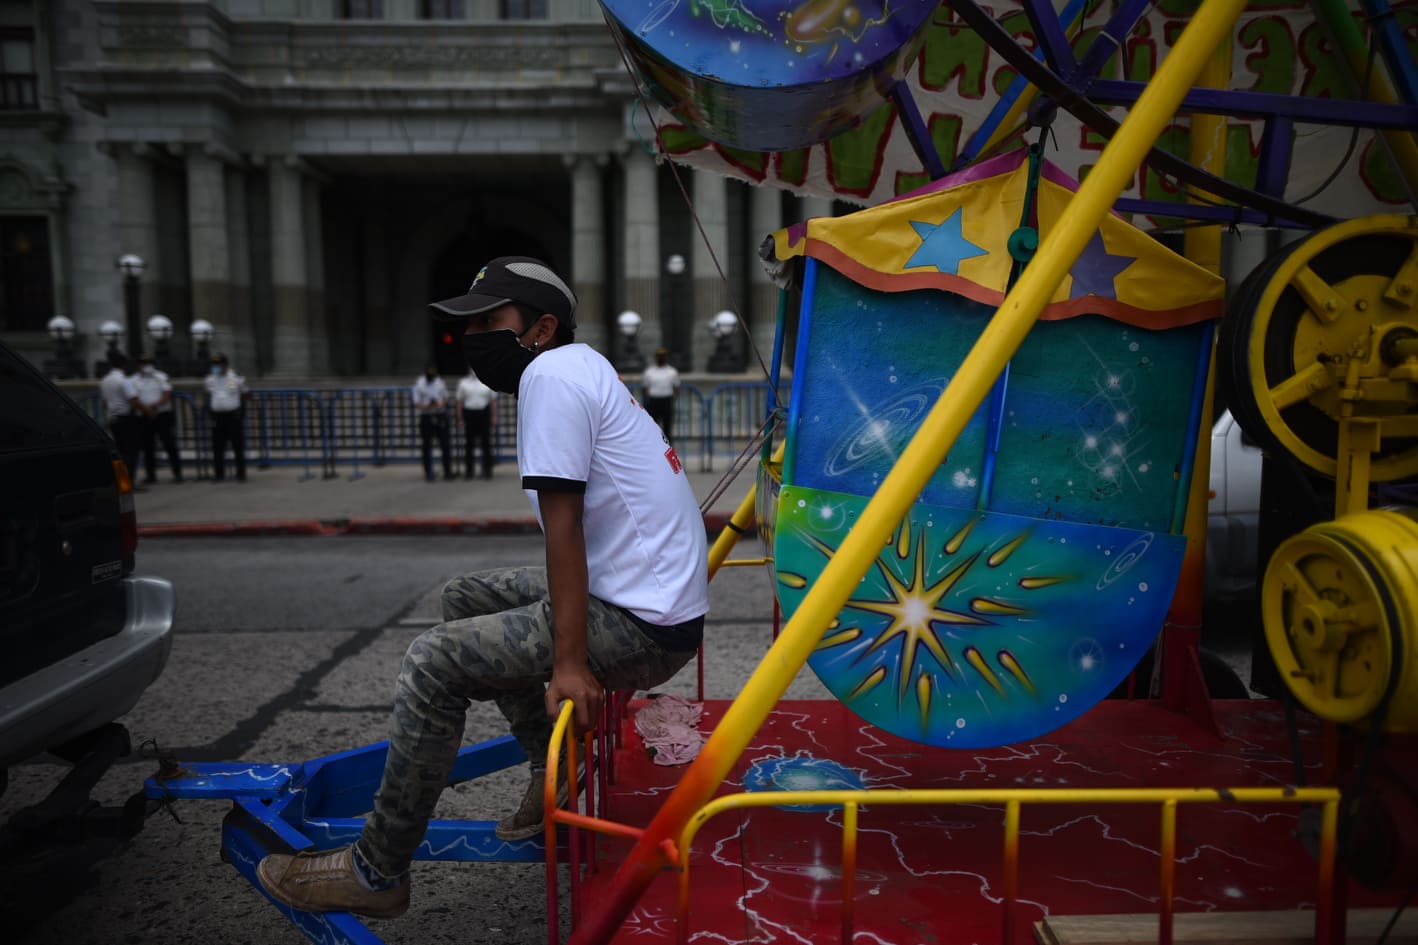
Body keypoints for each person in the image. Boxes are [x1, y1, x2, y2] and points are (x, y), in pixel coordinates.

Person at [256, 255, 709, 918]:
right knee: (465, 595)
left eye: (488, 322)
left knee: (433, 659)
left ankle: (377, 870)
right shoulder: (579, 364)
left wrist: (571, 663)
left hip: (643, 623)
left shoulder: (551, 375)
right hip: (647, 599)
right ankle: (550, 764)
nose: (473, 340)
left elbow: (564, 533)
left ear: (541, 327)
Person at [133, 352, 183, 484]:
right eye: (143, 364)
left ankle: (177, 474)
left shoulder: (161, 377)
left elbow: (167, 393)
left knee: (169, 444)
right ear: (139, 366)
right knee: (148, 446)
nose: (146, 366)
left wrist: (155, 407)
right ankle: (151, 475)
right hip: (144, 415)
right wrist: (146, 409)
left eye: (148, 364)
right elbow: (133, 398)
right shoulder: (134, 379)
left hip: (161, 415)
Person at [204, 352, 249, 482]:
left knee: (237, 445)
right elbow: (209, 394)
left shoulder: (234, 378)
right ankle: (219, 474)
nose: (217, 367)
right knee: (218, 447)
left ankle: (241, 474)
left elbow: (245, 393)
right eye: (214, 365)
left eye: (219, 364)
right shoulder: (210, 379)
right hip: (217, 417)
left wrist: (238, 407)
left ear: (225, 365)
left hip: (233, 416)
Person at [98, 351, 142, 480]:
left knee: (120, 451)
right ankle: (129, 480)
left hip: (113, 418)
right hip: (126, 418)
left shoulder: (105, 380)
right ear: (124, 364)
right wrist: (147, 411)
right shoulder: (124, 381)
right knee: (131, 452)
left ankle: (120, 480)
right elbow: (133, 400)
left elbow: (105, 402)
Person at [412, 364, 453, 481]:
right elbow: (416, 402)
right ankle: (428, 472)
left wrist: (440, 404)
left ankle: (447, 471)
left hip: (440, 415)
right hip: (426, 416)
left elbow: (446, 398)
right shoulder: (419, 384)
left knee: (445, 445)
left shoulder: (440, 382)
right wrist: (427, 406)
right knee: (427, 446)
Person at [455, 366, 497, 479]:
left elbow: (493, 401)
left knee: (486, 444)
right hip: (469, 414)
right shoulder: (463, 383)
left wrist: (494, 416)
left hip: (483, 413)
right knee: (469, 444)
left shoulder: (487, 381)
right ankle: (469, 471)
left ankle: (487, 471)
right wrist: (459, 418)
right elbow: (459, 401)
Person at [641, 346, 681, 446]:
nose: (661, 358)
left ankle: (669, 449)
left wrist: (672, 399)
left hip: (666, 401)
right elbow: (645, 388)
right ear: (656, 357)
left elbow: (676, 388)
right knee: (653, 428)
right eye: (659, 356)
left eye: (663, 356)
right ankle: (654, 448)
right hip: (653, 401)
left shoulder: (672, 372)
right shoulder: (649, 372)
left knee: (667, 428)